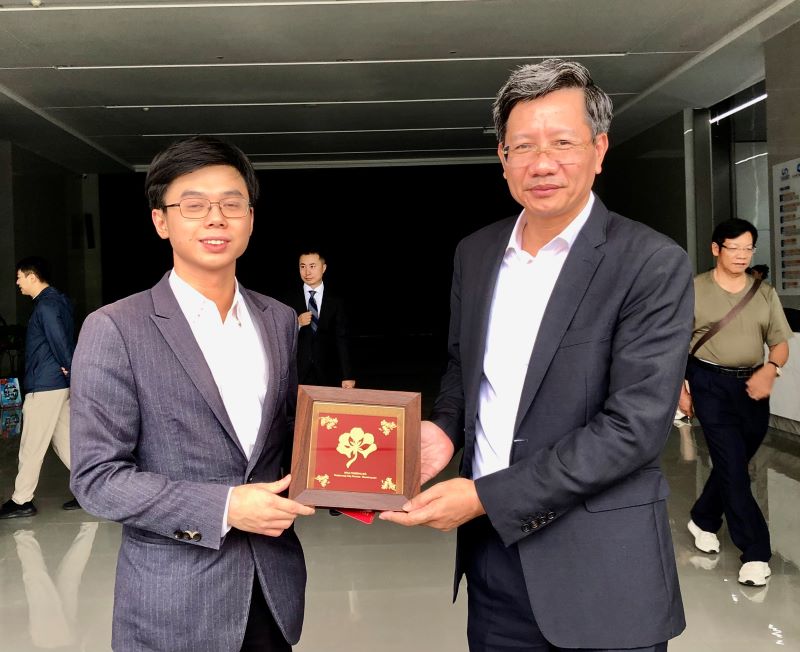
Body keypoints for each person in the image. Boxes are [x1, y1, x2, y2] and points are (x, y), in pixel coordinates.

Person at [380, 59, 691, 651]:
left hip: (603, 570)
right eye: (522, 146)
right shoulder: (476, 253)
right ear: (502, 157)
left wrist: (485, 497)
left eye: (562, 143)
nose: (541, 163)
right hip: (493, 561)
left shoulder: (650, 263)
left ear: (600, 149)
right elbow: (463, 369)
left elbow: (634, 428)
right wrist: (444, 428)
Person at [69, 135, 315, 652]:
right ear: (161, 221)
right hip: (174, 606)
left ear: (250, 217)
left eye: (231, 204)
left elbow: (290, 440)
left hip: (272, 592)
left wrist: (364, 475)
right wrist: (225, 507)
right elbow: (97, 478)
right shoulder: (115, 327)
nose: (216, 219)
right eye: (194, 205)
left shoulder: (277, 320)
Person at [679, 218, 790, 588]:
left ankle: (703, 518)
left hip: (752, 385)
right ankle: (756, 553)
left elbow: (779, 343)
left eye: (748, 248)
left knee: (734, 464)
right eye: (734, 248)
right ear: (716, 249)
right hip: (709, 383)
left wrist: (771, 369)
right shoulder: (694, 290)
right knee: (734, 468)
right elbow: (675, 344)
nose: (742, 255)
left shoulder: (764, 293)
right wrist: (681, 388)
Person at [0, 257, 78, 519]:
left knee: (31, 443)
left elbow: (58, 339)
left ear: (32, 277)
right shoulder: (60, 301)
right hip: (57, 385)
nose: (17, 282)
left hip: (45, 385)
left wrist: (69, 367)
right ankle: (91, 489)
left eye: (20, 277)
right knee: (66, 442)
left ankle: (21, 500)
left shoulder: (46, 305)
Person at [290, 250, 355, 388]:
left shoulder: (336, 300)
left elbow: (342, 339)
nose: (307, 272)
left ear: (323, 268)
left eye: (312, 266)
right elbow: (277, 335)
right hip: (296, 373)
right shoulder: (288, 299)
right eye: (302, 266)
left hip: (329, 372)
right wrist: (297, 324)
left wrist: (347, 375)